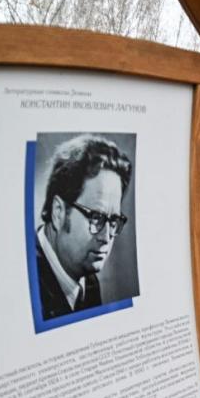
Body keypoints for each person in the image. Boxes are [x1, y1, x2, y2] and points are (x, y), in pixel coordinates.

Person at [35, 135, 131, 320]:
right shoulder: (28, 284)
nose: (106, 237)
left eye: (113, 221)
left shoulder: (88, 281)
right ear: (58, 212)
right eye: (96, 217)